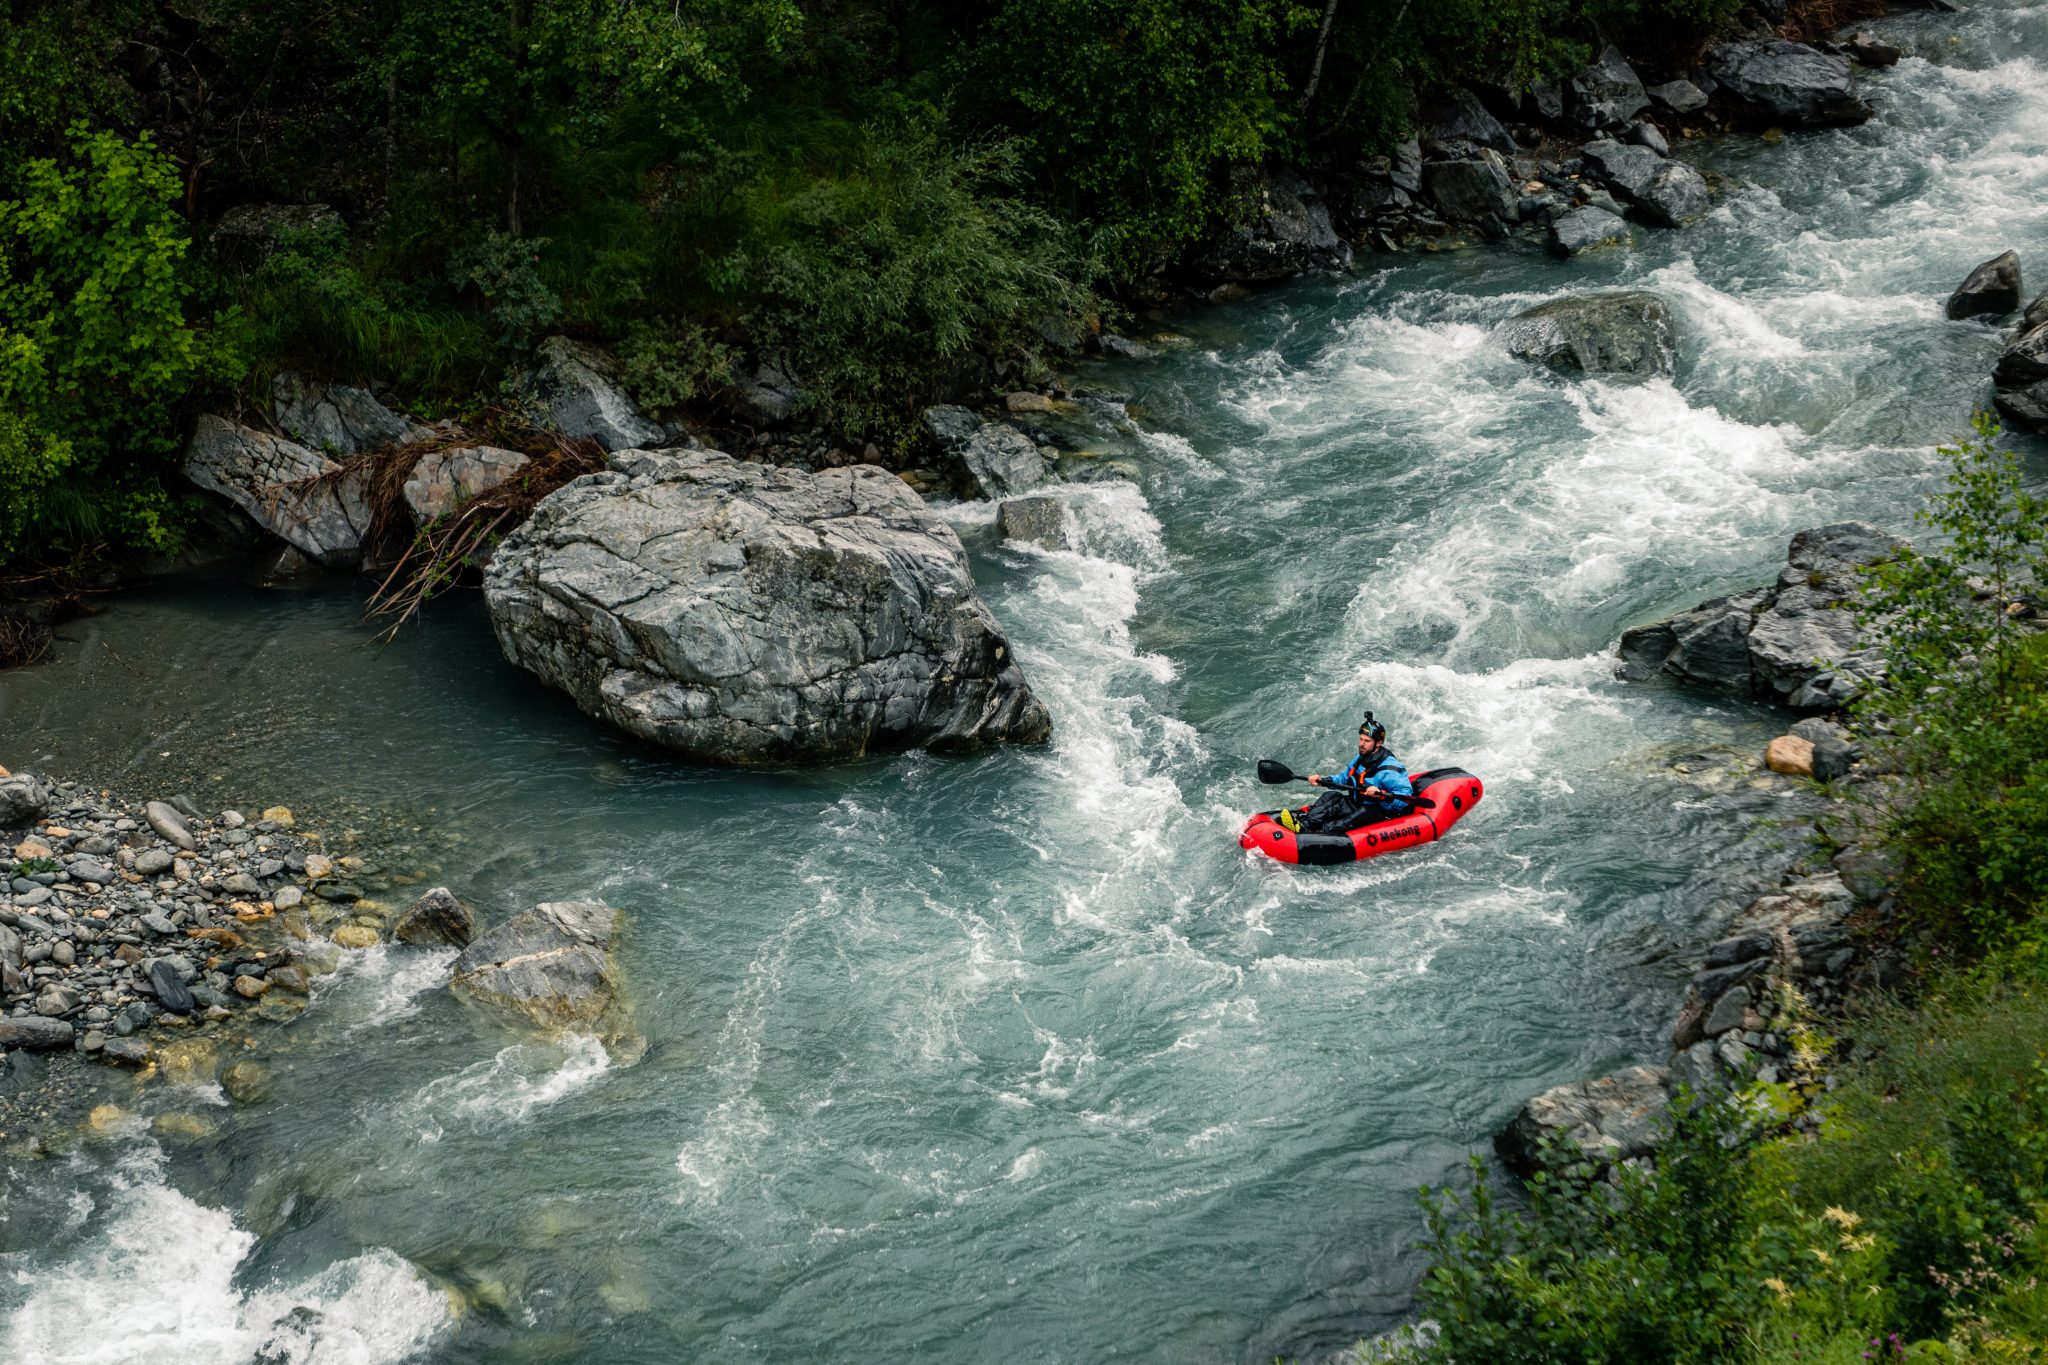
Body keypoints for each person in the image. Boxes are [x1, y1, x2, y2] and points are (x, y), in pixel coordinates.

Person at [1280, 712, 1413, 835]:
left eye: (1367, 741)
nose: (1361, 744)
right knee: (1330, 796)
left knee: (1362, 812)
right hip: (1357, 803)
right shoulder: (1361, 758)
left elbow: (1405, 797)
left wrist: (1381, 795)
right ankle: (1305, 823)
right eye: (1361, 739)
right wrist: (1323, 780)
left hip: (1378, 810)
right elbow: (1344, 779)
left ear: (1378, 743)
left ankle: (1316, 833)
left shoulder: (1390, 768)